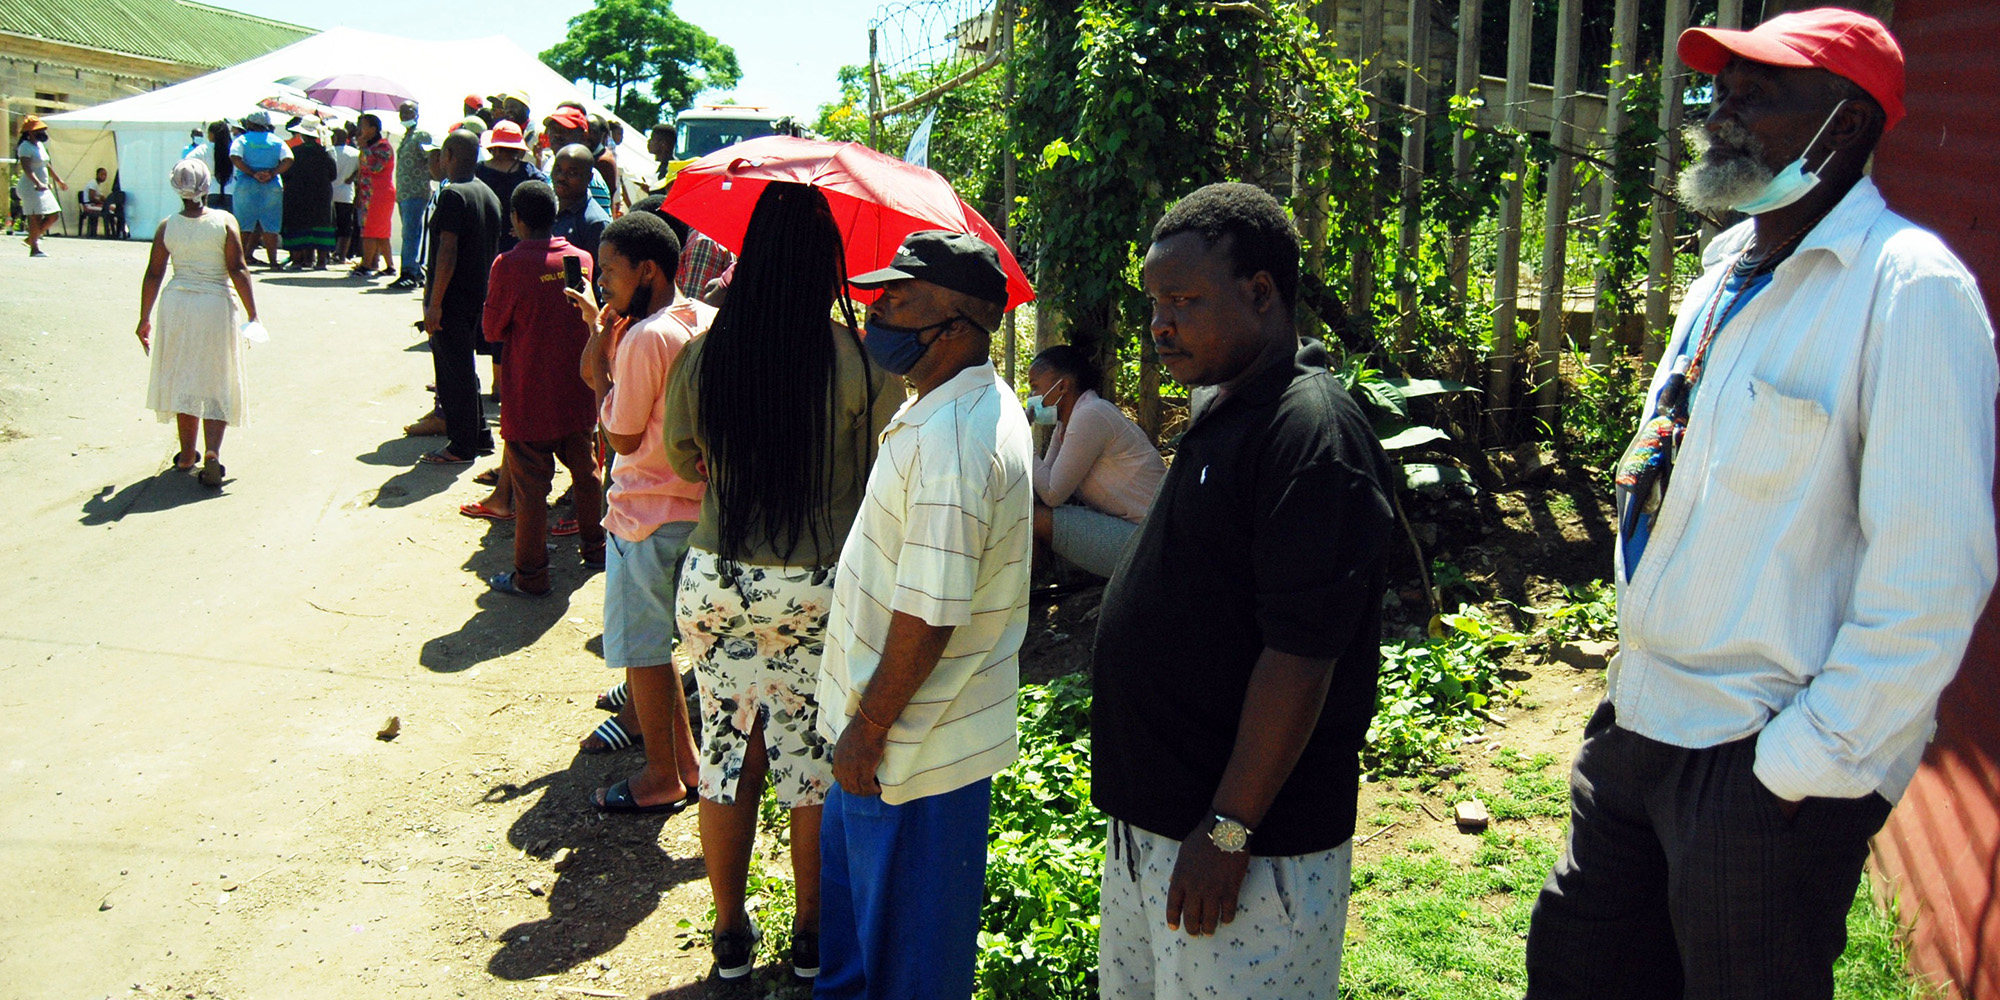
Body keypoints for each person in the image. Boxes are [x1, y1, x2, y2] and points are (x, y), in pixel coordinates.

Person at [1525, 11, 1999, 999]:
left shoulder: (1906, 291)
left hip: (1755, 764)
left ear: (1849, 123)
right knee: (1575, 966)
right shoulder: (1723, 272)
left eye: (1760, 88)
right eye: (1722, 82)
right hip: (1639, 729)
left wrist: (1792, 769)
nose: (1721, 106)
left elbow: (1934, 571)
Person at [1091, 182, 1394, 1000]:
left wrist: (1228, 828)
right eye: (1154, 302)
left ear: (1260, 294)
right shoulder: (1229, 409)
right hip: (1159, 827)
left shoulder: (1311, 433)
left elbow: (1300, 656)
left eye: (1183, 300)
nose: (1161, 323)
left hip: (1247, 851)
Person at [661, 183, 903, 983]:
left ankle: (730, 936)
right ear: (828, 262)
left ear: (751, 254)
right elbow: (878, 482)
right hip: (816, 588)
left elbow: (680, 457)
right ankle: (809, 937)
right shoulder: (862, 367)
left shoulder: (704, 352)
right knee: (808, 764)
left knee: (729, 751)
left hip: (716, 576)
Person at [814, 230, 1031, 999]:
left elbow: (930, 613)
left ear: (957, 324)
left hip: (910, 752)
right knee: (864, 954)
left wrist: (867, 731)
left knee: (907, 970)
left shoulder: (953, 442)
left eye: (898, 299)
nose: (877, 309)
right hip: (896, 743)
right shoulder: (950, 410)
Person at [557, 209, 710, 806]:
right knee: (663, 648)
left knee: (644, 653)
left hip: (642, 515)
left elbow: (619, 436)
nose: (605, 285)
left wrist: (608, 375)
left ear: (647, 269)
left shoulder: (646, 337)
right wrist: (601, 333)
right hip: (694, 507)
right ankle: (688, 766)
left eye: (613, 273)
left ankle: (660, 777)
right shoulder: (699, 317)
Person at [476, 181, 603, 596]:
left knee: (531, 492)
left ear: (516, 219)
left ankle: (531, 576)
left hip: (529, 395)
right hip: (576, 392)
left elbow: (493, 328)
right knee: (586, 474)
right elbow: (578, 311)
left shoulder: (507, 265)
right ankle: (596, 548)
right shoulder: (578, 258)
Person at [135, 158, 258, 488]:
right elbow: (237, 269)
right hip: (216, 304)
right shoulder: (224, 221)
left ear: (176, 188)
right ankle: (212, 453)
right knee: (216, 377)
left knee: (184, 377)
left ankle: (187, 455)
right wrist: (253, 314)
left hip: (176, 304)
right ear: (207, 185)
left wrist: (144, 318)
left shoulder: (167, 226)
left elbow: (154, 273)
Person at [1023, 343, 1166, 580]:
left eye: (1035, 387)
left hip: (1151, 541)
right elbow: (1043, 486)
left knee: (1036, 519)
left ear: (1063, 386)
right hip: (1136, 532)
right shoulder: (1066, 424)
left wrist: (1022, 440)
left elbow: (1051, 494)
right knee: (1029, 512)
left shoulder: (1092, 415)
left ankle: (1026, 602)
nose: (1031, 398)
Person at [417, 130, 502, 467]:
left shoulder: (453, 195)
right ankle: (479, 434)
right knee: (465, 369)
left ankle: (462, 444)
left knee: (453, 374)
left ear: (449, 155)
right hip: (477, 294)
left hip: (451, 297)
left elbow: (447, 251)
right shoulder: (487, 193)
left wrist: (434, 303)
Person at [229, 111, 292, 268]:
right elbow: (289, 159)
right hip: (271, 185)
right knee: (271, 224)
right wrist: (273, 172)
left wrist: (252, 172)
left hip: (246, 184)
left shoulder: (242, 140)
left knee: (243, 223)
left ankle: (240, 260)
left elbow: (235, 157)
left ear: (249, 124)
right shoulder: (277, 141)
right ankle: (273, 262)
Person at [475, 121, 548, 256]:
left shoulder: (477, 171)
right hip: (514, 243)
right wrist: (528, 224)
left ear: (494, 147)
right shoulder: (528, 173)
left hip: (481, 241)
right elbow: (547, 198)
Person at [279, 119, 336, 270]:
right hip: (321, 195)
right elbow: (333, 174)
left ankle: (298, 261)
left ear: (302, 135)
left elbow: (286, 174)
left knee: (298, 224)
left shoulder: (294, 153)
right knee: (321, 224)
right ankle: (322, 261)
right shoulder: (326, 153)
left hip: (297, 194)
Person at [392, 101, 434, 289]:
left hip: (417, 192)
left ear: (417, 113)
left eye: (409, 111)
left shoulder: (421, 136)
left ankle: (408, 272)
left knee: (411, 234)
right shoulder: (406, 137)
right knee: (409, 233)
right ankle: (415, 272)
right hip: (404, 193)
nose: (405, 115)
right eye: (402, 112)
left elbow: (431, 159)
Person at [550, 143, 610, 263]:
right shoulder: (548, 210)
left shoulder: (595, 222)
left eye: (572, 173)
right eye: (558, 169)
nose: (561, 177)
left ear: (589, 178)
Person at [352, 113, 396, 276]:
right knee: (379, 232)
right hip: (367, 193)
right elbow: (361, 172)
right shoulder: (369, 147)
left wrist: (364, 148)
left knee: (371, 230)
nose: (360, 130)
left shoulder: (383, 147)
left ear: (373, 129)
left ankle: (367, 265)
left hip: (379, 194)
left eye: (363, 126)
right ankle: (389, 266)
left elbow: (376, 167)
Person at [15, 115, 65, 257]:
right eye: (39, 130)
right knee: (35, 216)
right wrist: (37, 182)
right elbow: (26, 168)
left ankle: (31, 239)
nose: (42, 133)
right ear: (30, 132)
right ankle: (34, 248)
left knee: (53, 215)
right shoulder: (25, 147)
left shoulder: (40, 146)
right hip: (31, 186)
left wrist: (58, 180)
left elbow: (46, 164)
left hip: (43, 186)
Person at [329, 127, 359, 262]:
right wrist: (352, 177)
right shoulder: (356, 153)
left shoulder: (329, 152)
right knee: (345, 227)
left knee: (329, 225)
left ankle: (327, 253)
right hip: (346, 194)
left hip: (329, 194)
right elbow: (362, 170)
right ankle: (342, 255)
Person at [204, 121, 235, 212]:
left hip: (211, 189)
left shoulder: (204, 149)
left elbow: (189, 161)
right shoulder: (234, 147)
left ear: (212, 134)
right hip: (230, 189)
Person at [80, 167, 111, 237]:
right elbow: (92, 198)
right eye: (102, 174)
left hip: (93, 205)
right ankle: (107, 233)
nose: (104, 176)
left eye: (105, 175)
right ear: (97, 174)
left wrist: (106, 201)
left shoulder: (98, 185)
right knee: (108, 209)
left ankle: (95, 233)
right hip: (88, 206)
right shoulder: (93, 183)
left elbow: (102, 197)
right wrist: (104, 204)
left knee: (111, 207)